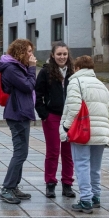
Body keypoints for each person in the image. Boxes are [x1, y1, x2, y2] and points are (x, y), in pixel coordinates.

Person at [61, 56, 109, 214]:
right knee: (95, 167)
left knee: (82, 165)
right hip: (101, 132)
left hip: (81, 132)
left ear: (77, 68)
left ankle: (85, 199)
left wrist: (66, 127)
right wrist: (106, 128)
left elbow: (74, 107)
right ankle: (96, 197)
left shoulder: (75, 82)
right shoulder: (101, 85)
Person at [0, 39, 37, 204]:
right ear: (20, 52)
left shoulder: (17, 67)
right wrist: (33, 68)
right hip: (17, 113)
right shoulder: (12, 69)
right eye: (28, 51)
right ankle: (7, 188)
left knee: (22, 152)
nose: (31, 54)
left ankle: (13, 187)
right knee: (20, 152)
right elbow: (28, 86)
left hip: (21, 112)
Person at [35, 42, 75, 199]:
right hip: (53, 116)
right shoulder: (45, 72)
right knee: (53, 152)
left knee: (68, 152)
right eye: (59, 54)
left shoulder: (73, 71)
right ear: (53, 55)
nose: (62, 57)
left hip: (69, 117)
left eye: (64, 54)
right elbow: (37, 95)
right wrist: (44, 114)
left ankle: (67, 184)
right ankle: (50, 184)